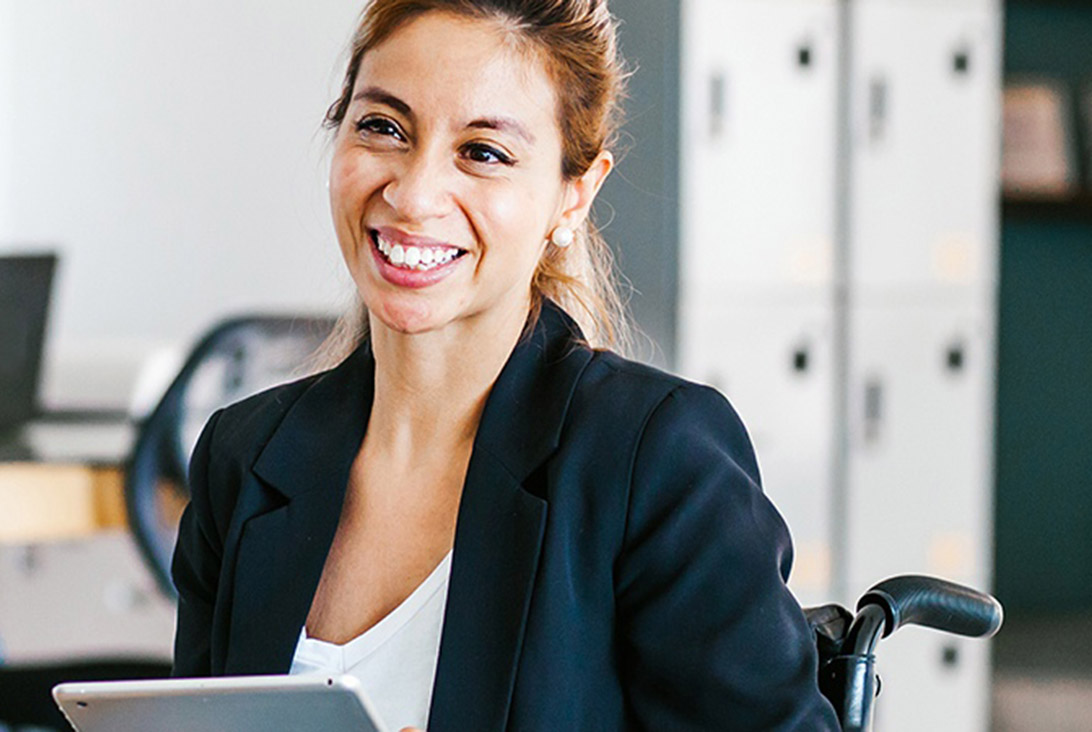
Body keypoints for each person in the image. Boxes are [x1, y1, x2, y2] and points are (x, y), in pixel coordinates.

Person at [170, 1, 841, 730]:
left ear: (573, 195)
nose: (414, 194)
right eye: (383, 127)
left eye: (483, 152)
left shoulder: (653, 459)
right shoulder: (243, 459)